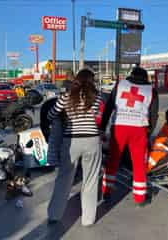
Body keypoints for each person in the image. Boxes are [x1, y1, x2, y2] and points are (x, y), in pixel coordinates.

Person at [47, 68, 103, 227]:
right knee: (91, 180)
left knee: (64, 179)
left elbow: (51, 114)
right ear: (92, 81)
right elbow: (95, 114)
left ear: (76, 80)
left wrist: (64, 116)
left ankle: (54, 215)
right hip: (92, 140)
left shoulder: (66, 96)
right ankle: (88, 220)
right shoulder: (96, 97)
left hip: (71, 140)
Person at [101, 67, 159, 206]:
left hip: (119, 126)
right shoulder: (151, 90)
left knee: (113, 160)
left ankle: (106, 192)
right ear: (145, 77)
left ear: (131, 75)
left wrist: (103, 127)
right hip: (139, 128)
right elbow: (153, 115)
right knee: (139, 164)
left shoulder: (120, 85)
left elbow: (109, 106)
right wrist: (148, 132)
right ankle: (140, 199)